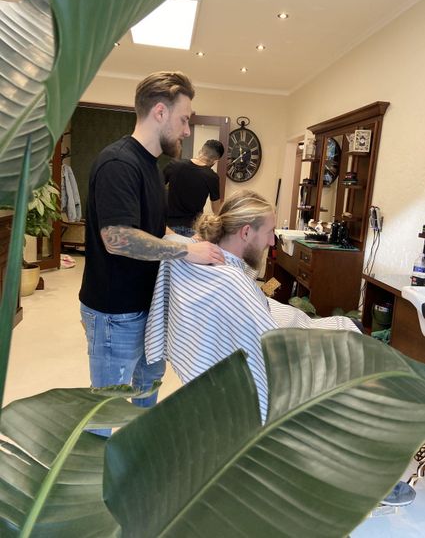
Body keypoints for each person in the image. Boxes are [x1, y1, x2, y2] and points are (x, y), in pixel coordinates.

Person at [79, 71, 224, 434]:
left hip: (149, 308)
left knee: (146, 397)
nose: (187, 131)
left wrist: (191, 244)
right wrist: (187, 254)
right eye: (184, 120)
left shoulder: (151, 166)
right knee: (106, 412)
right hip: (115, 313)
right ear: (160, 112)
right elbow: (118, 238)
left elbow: (155, 228)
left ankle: (137, 458)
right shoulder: (118, 164)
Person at [145, 190, 360, 422]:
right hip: (284, 330)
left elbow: (171, 239)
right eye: (269, 232)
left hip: (277, 315)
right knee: (350, 333)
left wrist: (191, 245)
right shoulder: (231, 280)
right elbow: (271, 344)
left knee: (341, 327)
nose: (272, 241)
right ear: (246, 232)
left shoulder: (195, 253)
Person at [163, 139, 224, 237]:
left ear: (200, 151)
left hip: (168, 227)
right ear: (215, 161)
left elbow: (156, 188)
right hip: (192, 229)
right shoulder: (212, 177)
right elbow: (216, 210)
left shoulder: (174, 165)